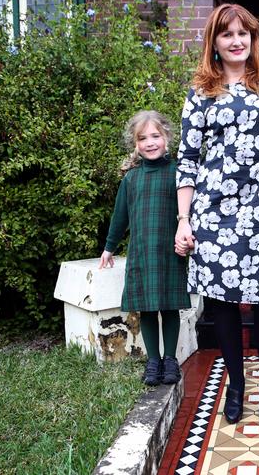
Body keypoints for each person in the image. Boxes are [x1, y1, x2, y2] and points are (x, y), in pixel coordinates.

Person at [174, 3, 259, 426]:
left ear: (253, 40)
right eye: (227, 34)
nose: (236, 41)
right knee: (224, 305)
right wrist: (184, 219)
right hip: (213, 214)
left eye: (243, 34)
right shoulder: (200, 93)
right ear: (214, 42)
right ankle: (236, 384)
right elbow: (188, 160)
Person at [99, 110, 190, 386]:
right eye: (143, 138)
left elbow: (190, 210)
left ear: (167, 138)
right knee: (147, 308)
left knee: (169, 306)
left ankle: (170, 360)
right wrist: (109, 247)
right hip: (142, 252)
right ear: (135, 144)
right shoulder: (131, 179)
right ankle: (154, 360)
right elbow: (120, 216)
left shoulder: (178, 173)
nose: (150, 142)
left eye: (155, 136)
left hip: (170, 252)